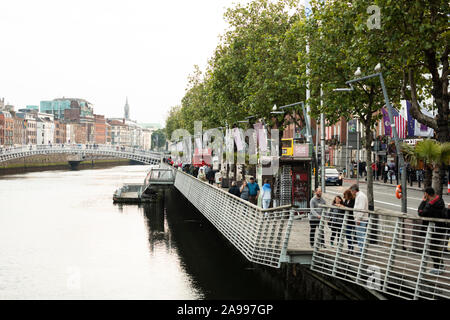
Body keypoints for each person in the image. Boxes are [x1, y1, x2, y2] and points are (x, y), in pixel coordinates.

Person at [418, 187, 447, 275]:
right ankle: (438, 266)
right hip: (438, 228)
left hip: (436, 228)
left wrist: (423, 201)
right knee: (434, 247)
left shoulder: (431, 203)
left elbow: (421, 212)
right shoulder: (439, 201)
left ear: (426, 194)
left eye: (425, 194)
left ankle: (439, 267)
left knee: (433, 248)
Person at [350, 184, 369, 255]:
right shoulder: (359, 196)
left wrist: (358, 219)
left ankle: (362, 251)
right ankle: (361, 250)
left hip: (361, 220)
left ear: (354, 191)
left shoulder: (360, 196)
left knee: (361, 235)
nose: (351, 193)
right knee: (359, 235)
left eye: (351, 192)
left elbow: (361, 209)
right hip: (360, 219)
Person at [342, 189, 356, 254]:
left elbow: (351, 207)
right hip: (347, 219)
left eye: (345, 195)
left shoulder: (353, 200)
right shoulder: (346, 200)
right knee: (347, 234)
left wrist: (343, 206)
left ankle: (351, 249)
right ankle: (350, 248)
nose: (345, 197)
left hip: (352, 219)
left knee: (349, 234)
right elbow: (344, 204)